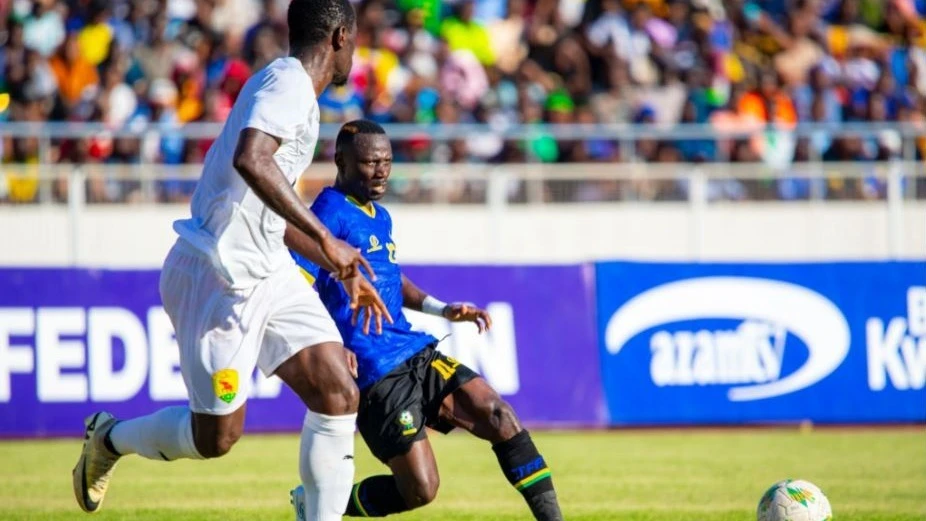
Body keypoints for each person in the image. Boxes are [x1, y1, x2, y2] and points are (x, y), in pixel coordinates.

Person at [72, 2, 392, 520]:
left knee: (337, 390)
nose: (354, 53)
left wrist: (337, 263)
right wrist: (326, 238)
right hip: (218, 277)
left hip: (269, 270)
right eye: (354, 41)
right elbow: (251, 159)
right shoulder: (288, 86)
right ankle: (109, 439)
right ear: (339, 36)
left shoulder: (292, 92)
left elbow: (270, 208)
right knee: (215, 438)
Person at [289, 120, 566, 521]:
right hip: (376, 374)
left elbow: (389, 278)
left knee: (499, 415)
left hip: (415, 351)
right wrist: (329, 346)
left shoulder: (379, 215)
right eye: (369, 162)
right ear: (341, 162)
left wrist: (441, 308)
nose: (381, 170)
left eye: (386, 161)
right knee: (420, 489)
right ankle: (319, 504)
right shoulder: (326, 214)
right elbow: (298, 284)